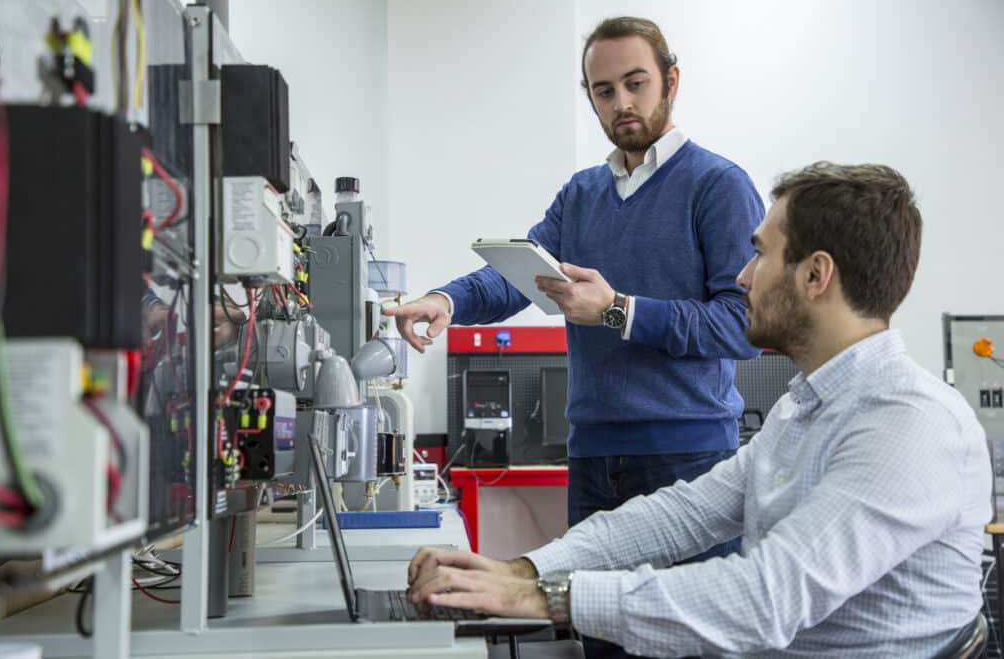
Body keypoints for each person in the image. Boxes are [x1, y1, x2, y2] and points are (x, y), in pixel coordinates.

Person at [405, 162, 992, 658]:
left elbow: (765, 598)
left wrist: (547, 598)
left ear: (816, 275)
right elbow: (683, 515)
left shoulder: (907, 423)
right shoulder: (804, 407)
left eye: (759, 254)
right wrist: (525, 570)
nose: (741, 276)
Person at [385, 16, 762, 571]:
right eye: (604, 91)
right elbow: (520, 274)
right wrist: (446, 301)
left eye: (636, 83)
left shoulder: (718, 185)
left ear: (671, 81)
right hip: (591, 457)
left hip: (688, 458)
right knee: (593, 617)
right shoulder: (582, 192)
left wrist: (617, 311)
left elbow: (744, 325)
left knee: (687, 621)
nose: (621, 103)